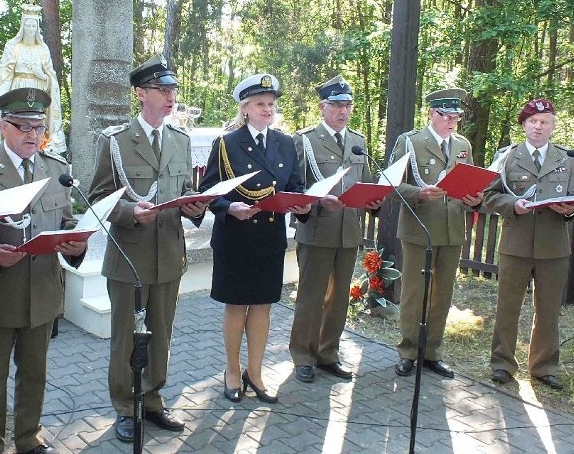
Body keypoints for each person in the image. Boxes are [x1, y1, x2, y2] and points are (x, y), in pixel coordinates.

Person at [0, 87, 84, 454]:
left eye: (38, 127)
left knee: (35, 375)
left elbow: (67, 222)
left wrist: (77, 246)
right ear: (2, 126)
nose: (31, 134)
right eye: (22, 126)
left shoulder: (56, 170)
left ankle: (29, 439)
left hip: (42, 292)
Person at [87, 55, 208, 444]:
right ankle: (125, 406)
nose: (170, 96)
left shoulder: (180, 140)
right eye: (162, 89)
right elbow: (99, 197)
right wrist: (127, 212)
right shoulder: (116, 141)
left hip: (169, 256)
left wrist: (195, 206)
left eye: (173, 89)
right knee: (127, 335)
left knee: (161, 334)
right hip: (130, 257)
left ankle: (152, 400)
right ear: (141, 93)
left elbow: (184, 192)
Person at [200, 74, 311, 404]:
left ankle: (256, 372)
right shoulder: (226, 144)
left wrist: (304, 203)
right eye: (260, 104)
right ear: (245, 109)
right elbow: (208, 189)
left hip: (269, 237)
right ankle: (232, 371)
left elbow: (295, 185)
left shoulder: (285, 143)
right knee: (236, 307)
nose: (267, 110)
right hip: (236, 237)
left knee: (262, 307)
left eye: (271, 104)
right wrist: (228, 206)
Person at [483, 98, 574, 390]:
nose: (538, 127)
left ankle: (544, 367)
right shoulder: (507, 157)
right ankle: (502, 363)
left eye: (544, 122)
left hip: (554, 245)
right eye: (533, 122)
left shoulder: (568, 159)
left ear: (552, 126)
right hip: (516, 243)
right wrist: (514, 204)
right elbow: (489, 197)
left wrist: (571, 211)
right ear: (524, 125)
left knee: (549, 309)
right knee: (507, 307)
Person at [289, 75, 383, 384]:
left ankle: (328, 353)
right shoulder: (305, 140)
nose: (343, 111)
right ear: (322, 107)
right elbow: (296, 187)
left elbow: (367, 180)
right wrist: (317, 204)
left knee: (339, 298)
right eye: (337, 105)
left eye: (348, 106)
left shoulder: (358, 141)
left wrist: (374, 200)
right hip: (317, 230)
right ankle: (303, 355)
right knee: (311, 297)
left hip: (349, 231)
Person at [389, 88, 484, 379]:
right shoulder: (410, 142)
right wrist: (418, 193)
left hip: (452, 227)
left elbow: (467, 182)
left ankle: (431, 352)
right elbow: (391, 184)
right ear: (431, 114)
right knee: (414, 293)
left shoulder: (462, 144)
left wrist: (475, 199)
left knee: (442, 294)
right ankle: (408, 351)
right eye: (446, 116)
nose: (452, 121)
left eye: (457, 116)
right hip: (420, 227)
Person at [0, 4, 67, 153]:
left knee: (35, 122)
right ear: (23, 26)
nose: (30, 28)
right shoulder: (13, 46)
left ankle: (41, 147)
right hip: (17, 89)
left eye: (33, 25)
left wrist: (42, 76)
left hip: (37, 91)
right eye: (27, 25)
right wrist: (0, 95)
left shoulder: (43, 48)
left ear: (37, 27)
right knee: (18, 122)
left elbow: (51, 78)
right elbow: (5, 74)